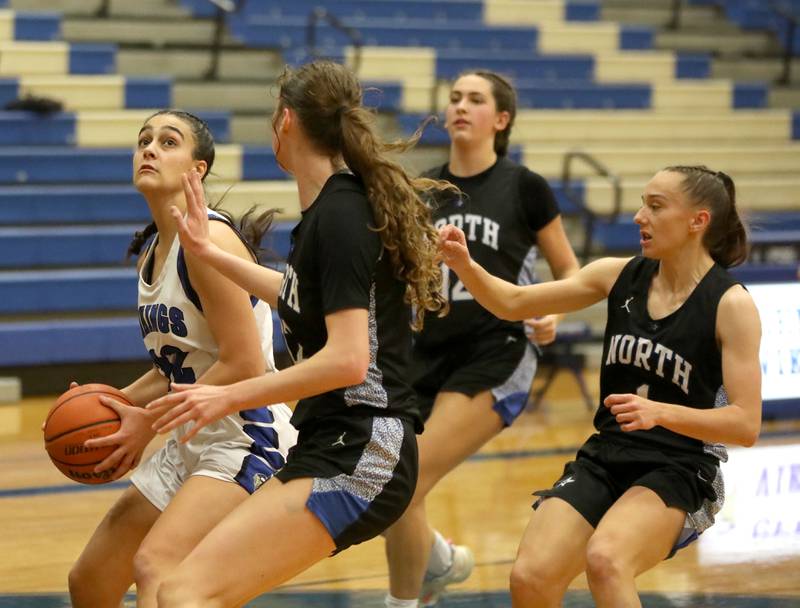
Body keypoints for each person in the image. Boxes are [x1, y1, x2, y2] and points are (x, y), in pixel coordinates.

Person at [143, 60, 457, 606]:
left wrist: (226, 395)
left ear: (285, 121)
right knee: (178, 589)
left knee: (184, 593)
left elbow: (347, 360)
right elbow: (292, 293)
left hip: (364, 446)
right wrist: (209, 252)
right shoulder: (326, 211)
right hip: (333, 440)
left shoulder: (339, 214)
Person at [438, 165, 762, 606]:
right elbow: (512, 303)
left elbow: (745, 424)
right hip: (609, 454)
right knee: (531, 577)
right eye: (641, 203)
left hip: (679, 466)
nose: (638, 216)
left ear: (698, 221)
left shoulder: (731, 304)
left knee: (607, 561)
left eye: (655, 206)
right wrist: (466, 265)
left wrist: (661, 413)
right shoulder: (618, 274)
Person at [67, 110, 297, 607]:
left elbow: (243, 363)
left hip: (246, 435)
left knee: (157, 568)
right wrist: (108, 403)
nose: (149, 148)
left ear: (199, 170)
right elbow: (176, 363)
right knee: (91, 579)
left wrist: (147, 424)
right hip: (195, 434)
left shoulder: (207, 241)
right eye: (143, 140)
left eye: (168, 142)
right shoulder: (155, 247)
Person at [382, 70, 580, 608]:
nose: (460, 107)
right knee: (386, 483)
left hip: (496, 350)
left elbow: (568, 270)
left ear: (501, 119)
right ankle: (439, 561)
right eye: (453, 98)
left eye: (475, 99)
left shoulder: (525, 187)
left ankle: (404, 601)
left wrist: (553, 314)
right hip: (426, 351)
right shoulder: (422, 189)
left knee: (408, 478)